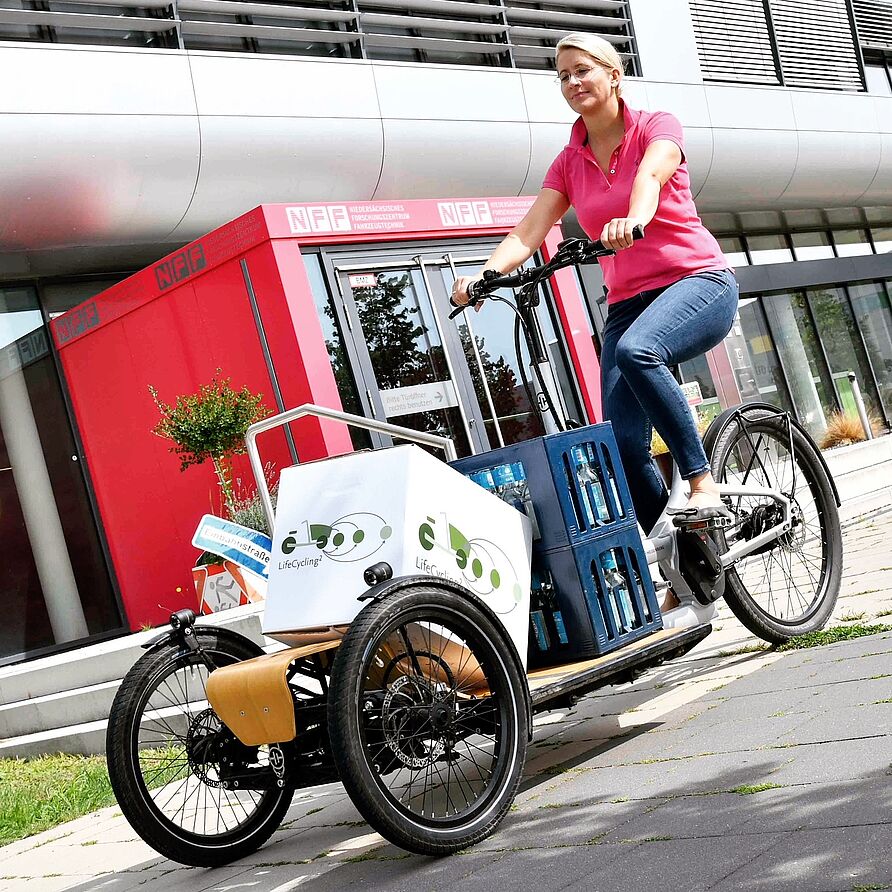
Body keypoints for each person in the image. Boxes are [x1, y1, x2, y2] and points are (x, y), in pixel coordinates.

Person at [452, 31, 739, 550]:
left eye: (582, 69)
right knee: (623, 446)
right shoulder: (568, 160)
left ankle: (701, 482)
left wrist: (633, 218)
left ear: (613, 74)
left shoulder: (656, 125)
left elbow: (651, 175)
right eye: (563, 76)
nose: (573, 81)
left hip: (698, 281)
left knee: (638, 351)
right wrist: (482, 276)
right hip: (629, 303)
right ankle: (692, 558)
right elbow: (529, 230)